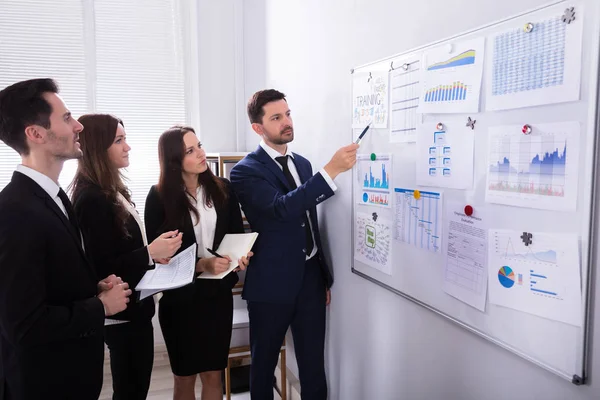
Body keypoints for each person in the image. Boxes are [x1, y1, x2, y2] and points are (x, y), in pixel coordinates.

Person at [0, 78, 132, 400]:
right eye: (66, 118)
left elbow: (50, 283)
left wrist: (91, 288)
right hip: (44, 384)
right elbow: (24, 325)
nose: (78, 126)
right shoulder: (14, 211)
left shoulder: (56, 197)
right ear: (36, 134)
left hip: (72, 377)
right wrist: (99, 306)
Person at [230, 89, 358, 400]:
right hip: (271, 284)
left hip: (310, 280)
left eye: (287, 114)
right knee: (263, 365)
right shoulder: (245, 171)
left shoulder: (301, 163)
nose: (287, 122)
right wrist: (331, 171)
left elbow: (311, 223)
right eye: (276, 118)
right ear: (258, 128)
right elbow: (281, 209)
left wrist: (320, 275)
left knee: (313, 364)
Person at [71, 114, 183, 399]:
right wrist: (149, 253)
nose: (128, 147)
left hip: (134, 310)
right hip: (121, 315)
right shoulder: (92, 198)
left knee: (134, 389)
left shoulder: (111, 190)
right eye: (119, 140)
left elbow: (120, 249)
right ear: (98, 147)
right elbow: (101, 267)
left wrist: (154, 255)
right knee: (130, 391)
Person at [144, 125, 253, 400]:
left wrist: (241, 256)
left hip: (217, 298)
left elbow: (234, 236)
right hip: (180, 301)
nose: (201, 153)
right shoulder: (158, 197)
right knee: (184, 378)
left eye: (199, 145)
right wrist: (202, 265)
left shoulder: (222, 188)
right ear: (174, 160)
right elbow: (160, 259)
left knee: (214, 376)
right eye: (190, 151)